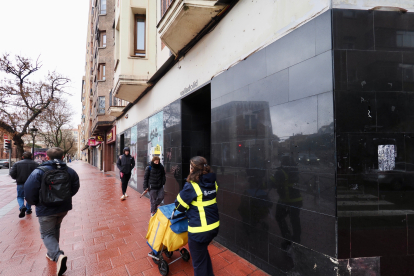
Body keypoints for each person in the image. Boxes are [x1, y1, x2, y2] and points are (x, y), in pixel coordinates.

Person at [24, 147, 80, 276]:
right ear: (63, 157)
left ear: (47, 157)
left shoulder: (39, 171)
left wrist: (35, 202)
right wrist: (66, 197)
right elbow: (75, 186)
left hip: (46, 209)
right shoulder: (69, 171)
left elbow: (29, 189)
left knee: (47, 233)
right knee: (56, 228)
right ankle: (51, 252)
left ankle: (57, 255)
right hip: (63, 208)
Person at [174, 156, 219, 276]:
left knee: (198, 264)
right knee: (203, 253)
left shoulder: (192, 186)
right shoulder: (212, 182)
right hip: (213, 226)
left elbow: (179, 206)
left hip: (199, 230)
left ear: (193, 169)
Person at [9, 152, 39, 218]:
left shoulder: (17, 164)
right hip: (31, 183)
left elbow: (12, 173)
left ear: (23, 157)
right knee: (29, 196)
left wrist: (17, 178)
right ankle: (28, 209)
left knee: (20, 196)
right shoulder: (36, 164)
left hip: (20, 183)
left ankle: (22, 206)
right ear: (31, 157)